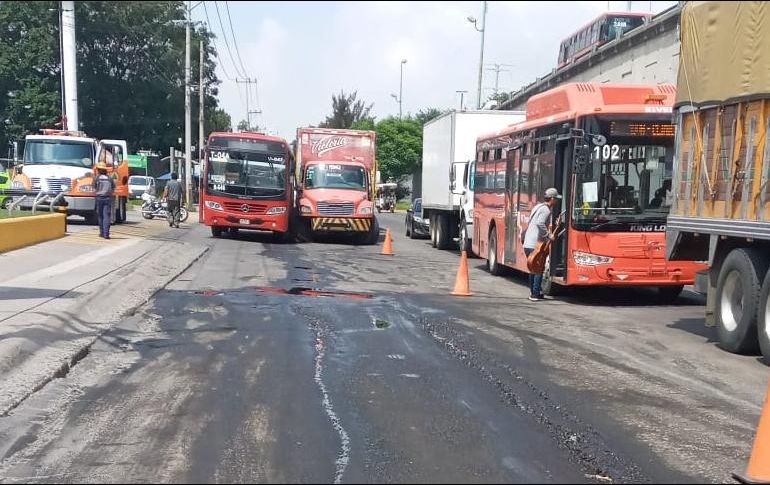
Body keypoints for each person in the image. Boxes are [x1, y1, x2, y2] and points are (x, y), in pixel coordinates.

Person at [523, 187, 562, 301]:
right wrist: (549, 235)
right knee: (539, 268)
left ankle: (534, 291)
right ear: (552, 199)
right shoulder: (546, 210)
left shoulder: (537, 207)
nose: (556, 202)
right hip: (536, 244)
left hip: (528, 243)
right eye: (556, 199)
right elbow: (540, 223)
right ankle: (535, 294)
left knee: (533, 268)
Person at [94, 162, 115, 239]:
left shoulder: (97, 178)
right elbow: (113, 188)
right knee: (107, 216)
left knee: (100, 216)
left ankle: (102, 233)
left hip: (99, 198)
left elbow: (94, 187)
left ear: (99, 170)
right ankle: (106, 234)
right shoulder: (110, 178)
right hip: (108, 198)